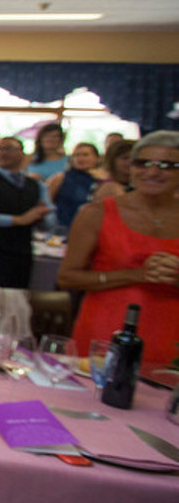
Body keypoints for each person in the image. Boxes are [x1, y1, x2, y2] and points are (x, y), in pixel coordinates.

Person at [59, 130, 179, 364]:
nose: (152, 172)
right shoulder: (97, 213)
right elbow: (67, 277)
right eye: (142, 163)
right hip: (105, 332)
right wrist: (136, 275)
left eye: (166, 165)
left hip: (170, 337)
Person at [0, 136, 56, 288]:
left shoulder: (36, 185)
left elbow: (49, 221)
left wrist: (43, 215)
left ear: (22, 154)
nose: (3, 153)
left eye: (9, 149)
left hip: (23, 251)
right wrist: (19, 219)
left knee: (18, 299)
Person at [92, 138, 134, 202]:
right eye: (125, 158)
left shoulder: (133, 184)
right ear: (112, 161)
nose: (130, 162)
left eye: (134, 159)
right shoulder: (110, 188)